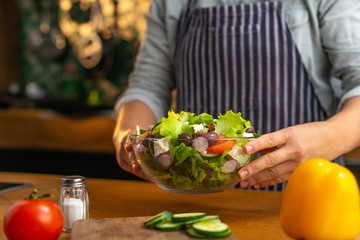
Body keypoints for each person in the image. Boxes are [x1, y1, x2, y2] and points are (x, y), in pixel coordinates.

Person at [112, 0, 360, 191]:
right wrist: (127, 135)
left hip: (309, 194)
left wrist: (332, 137)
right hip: (199, 198)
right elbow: (148, 87)